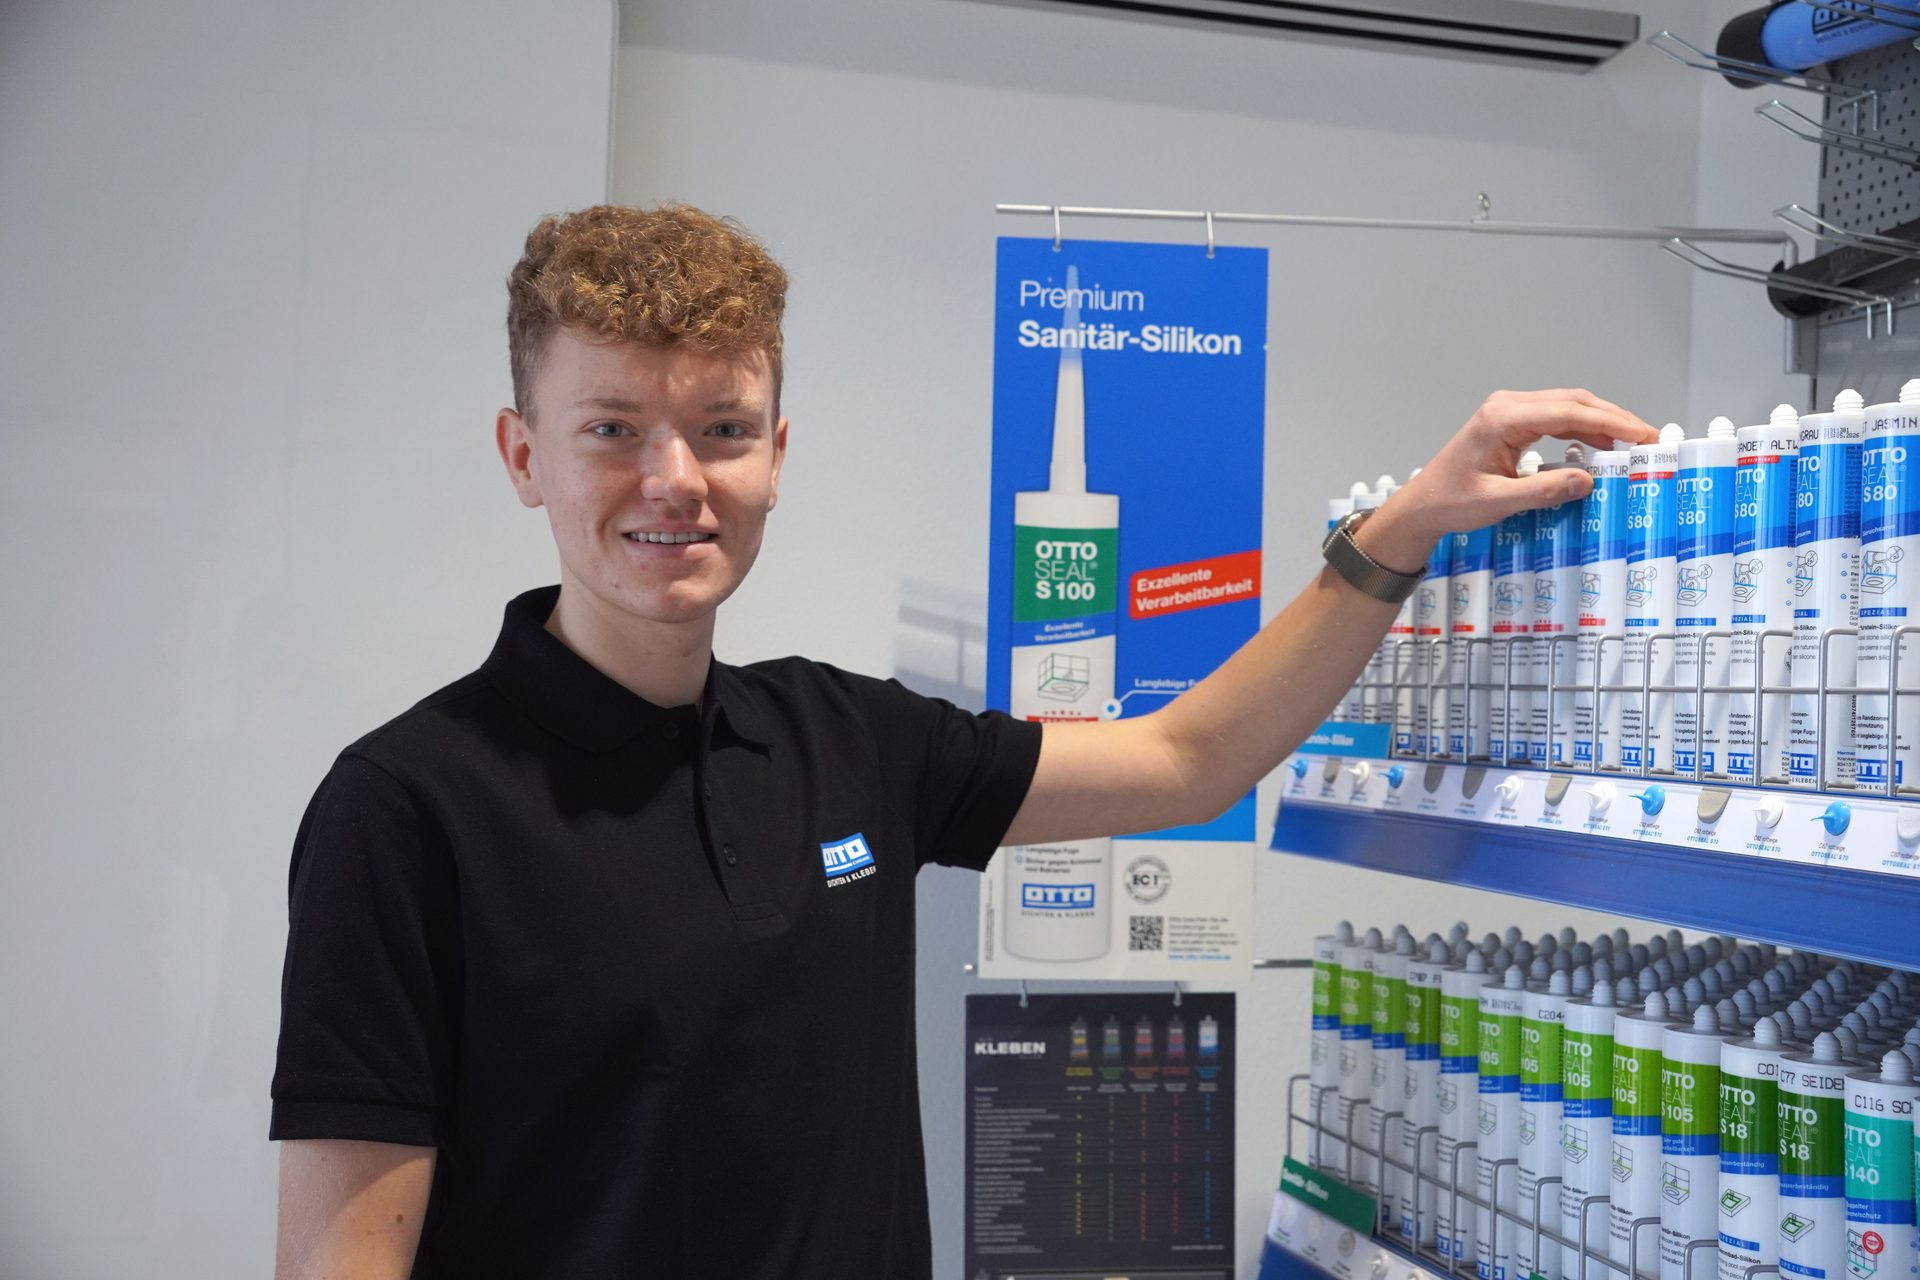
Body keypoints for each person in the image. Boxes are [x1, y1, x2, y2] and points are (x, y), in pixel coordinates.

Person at [270, 203, 1654, 1278]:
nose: (675, 480)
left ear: (776, 452)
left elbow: (1190, 761)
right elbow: (349, 1255)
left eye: (721, 428)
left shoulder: (841, 739)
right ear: (524, 456)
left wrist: (1395, 534)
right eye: (612, 428)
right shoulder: (408, 808)